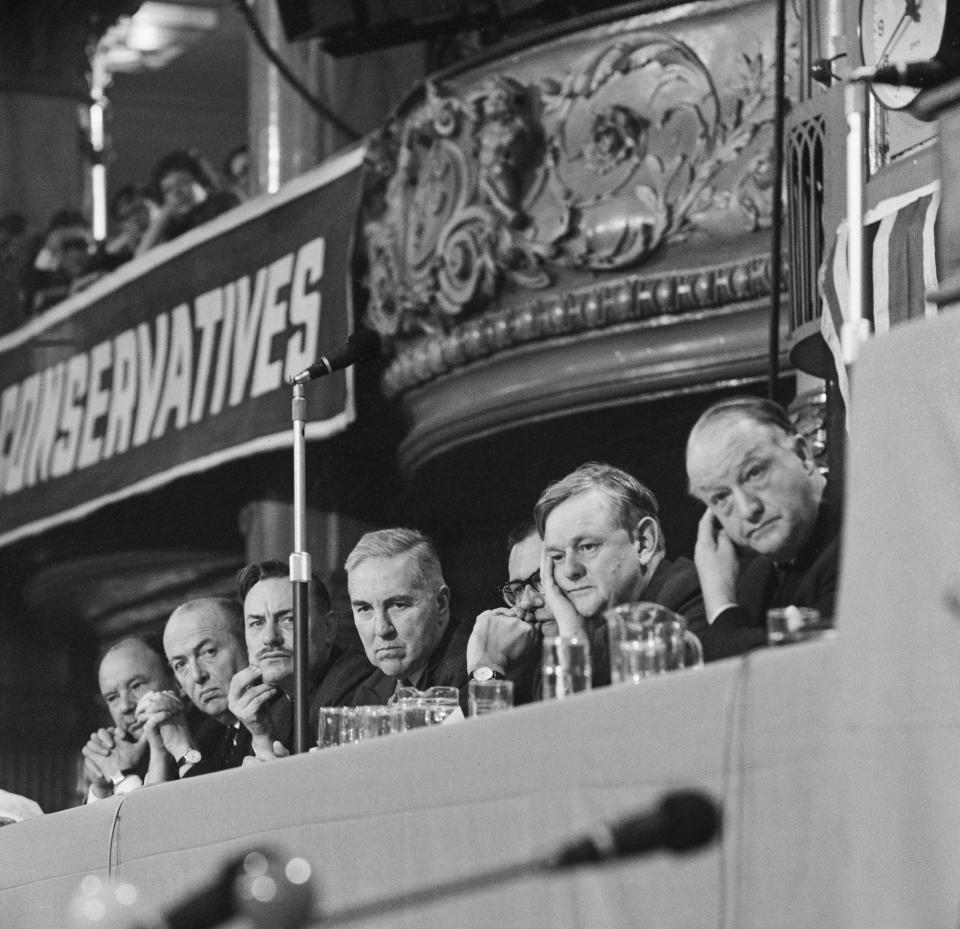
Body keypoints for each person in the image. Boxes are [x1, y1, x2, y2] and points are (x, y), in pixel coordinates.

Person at [685, 395, 840, 661]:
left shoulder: (860, 542)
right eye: (721, 498)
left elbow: (794, 678)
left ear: (803, 456)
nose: (747, 509)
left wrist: (722, 607)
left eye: (754, 473)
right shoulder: (752, 579)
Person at [535, 462, 704, 686]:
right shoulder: (595, 627)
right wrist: (570, 632)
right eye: (557, 557)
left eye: (587, 547)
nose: (569, 570)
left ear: (644, 543)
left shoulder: (692, 598)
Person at [227, 560, 372, 759]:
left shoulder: (358, 684)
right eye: (257, 623)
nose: (269, 638)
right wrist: (261, 736)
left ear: (328, 627)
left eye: (289, 620)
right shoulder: (266, 703)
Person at [345, 528, 472, 708]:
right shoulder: (370, 692)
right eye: (365, 608)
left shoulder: (475, 670)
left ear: (441, 604)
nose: (381, 629)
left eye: (398, 605)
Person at [136, 598, 251, 778]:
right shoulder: (206, 735)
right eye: (181, 664)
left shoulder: (284, 716)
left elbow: (218, 806)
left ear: (247, 643)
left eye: (208, 652)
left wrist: (184, 749)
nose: (197, 676)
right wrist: (160, 753)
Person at [466, 519, 558, 704]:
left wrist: (490, 663)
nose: (526, 603)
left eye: (540, 580)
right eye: (517, 590)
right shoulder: (529, 659)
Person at [80, 635, 178, 802]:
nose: (125, 706)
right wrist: (101, 787)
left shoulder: (206, 738)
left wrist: (120, 776)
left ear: (175, 681)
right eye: (112, 697)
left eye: (136, 686)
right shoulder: (122, 750)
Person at [137, 149, 240, 255]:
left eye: (183, 182)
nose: (177, 192)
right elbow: (140, 258)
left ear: (199, 182)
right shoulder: (171, 229)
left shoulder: (223, 202)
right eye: (168, 190)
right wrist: (166, 212)